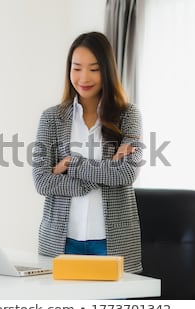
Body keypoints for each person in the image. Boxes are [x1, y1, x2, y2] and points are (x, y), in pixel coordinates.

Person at [32, 31, 143, 273]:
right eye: (77, 68)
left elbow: (125, 174)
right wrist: (103, 173)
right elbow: (41, 181)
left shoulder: (128, 115)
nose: (84, 77)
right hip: (61, 241)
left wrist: (71, 165)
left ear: (107, 71)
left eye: (93, 69)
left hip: (112, 243)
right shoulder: (51, 118)